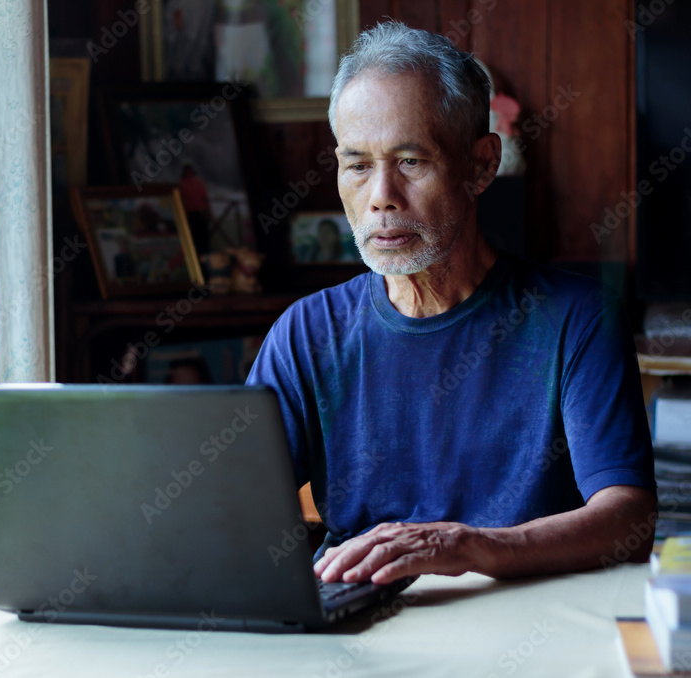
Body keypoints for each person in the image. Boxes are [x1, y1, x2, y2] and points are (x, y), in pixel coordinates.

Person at [245, 22, 656, 585]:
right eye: (358, 165)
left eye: (410, 161)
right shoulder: (305, 333)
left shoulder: (578, 317)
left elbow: (628, 520)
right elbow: (230, 513)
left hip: (526, 620)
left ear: (483, 164)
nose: (381, 197)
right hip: (363, 628)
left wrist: (469, 547)